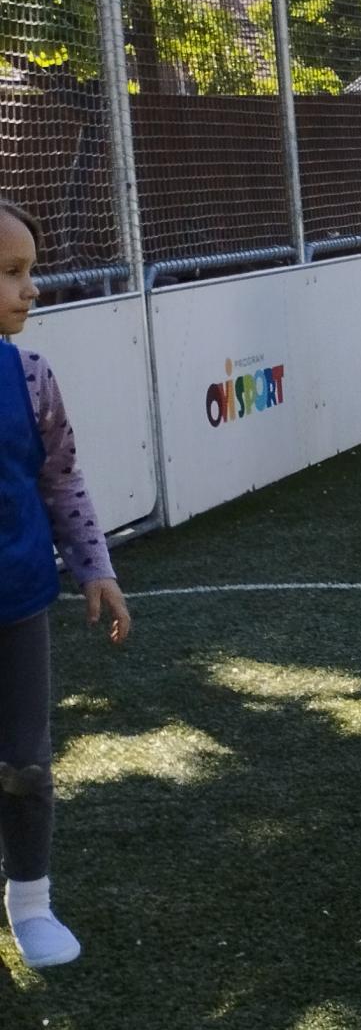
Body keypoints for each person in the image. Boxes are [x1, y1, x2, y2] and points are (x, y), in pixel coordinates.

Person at [0, 198, 131, 967]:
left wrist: (95, 567)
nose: (31, 288)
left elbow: (61, 478)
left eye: (30, 270)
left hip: (17, 602)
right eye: (11, 273)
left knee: (25, 761)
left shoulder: (30, 375)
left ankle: (31, 902)